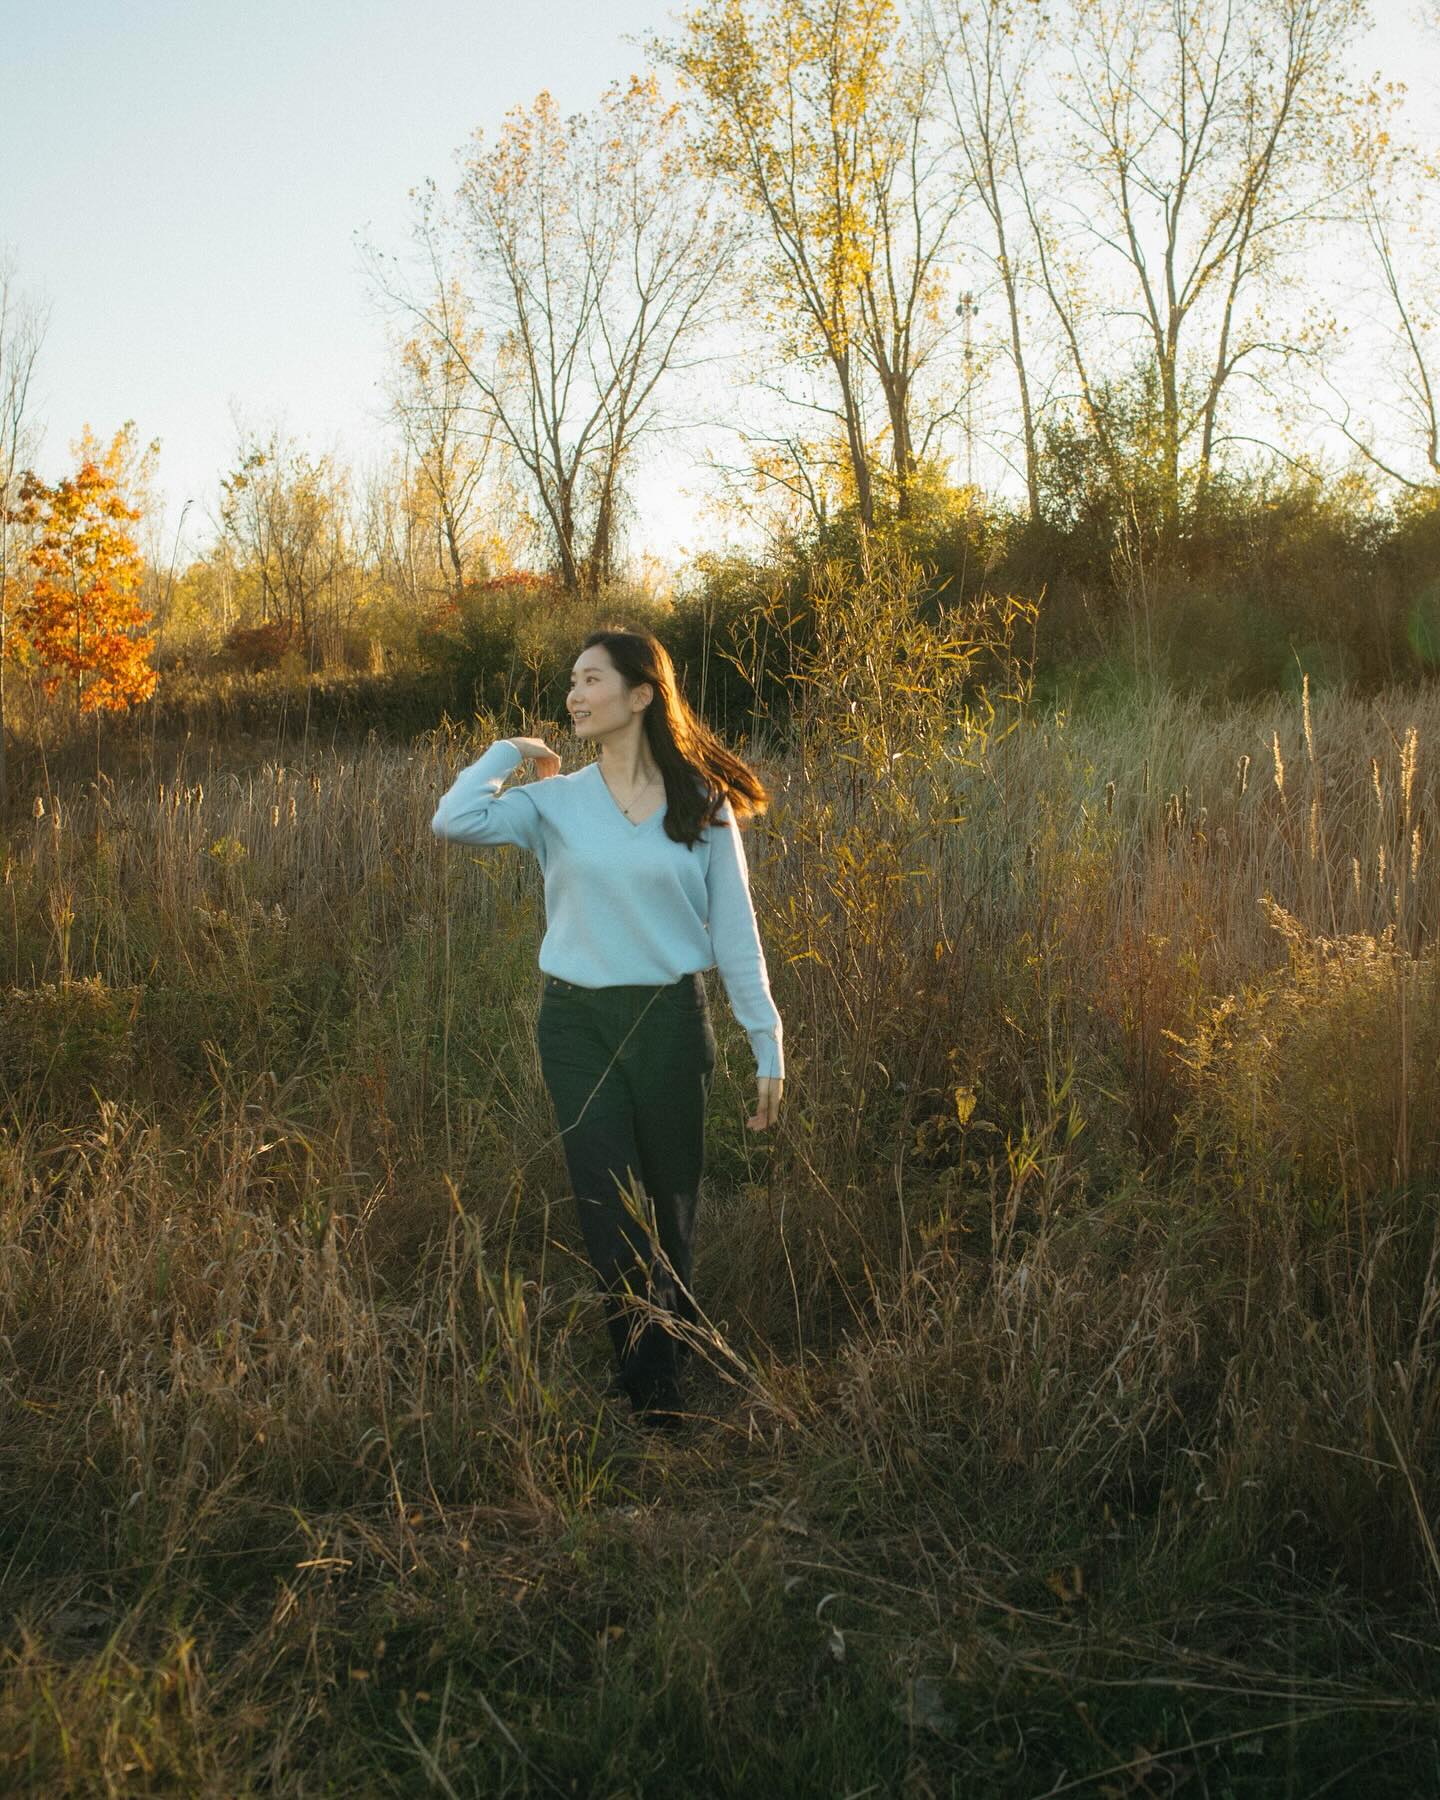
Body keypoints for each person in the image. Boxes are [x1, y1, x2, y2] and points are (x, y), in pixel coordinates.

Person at [431, 628, 784, 1431]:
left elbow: (736, 932)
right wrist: (504, 753)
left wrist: (766, 1038)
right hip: (578, 1025)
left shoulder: (701, 802)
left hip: (669, 1020)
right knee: (611, 1213)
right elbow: (451, 822)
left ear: (641, 696)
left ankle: (668, 1359)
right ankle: (653, 1398)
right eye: (570, 682)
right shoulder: (552, 803)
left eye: (590, 680)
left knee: (673, 1212)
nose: (573, 696)